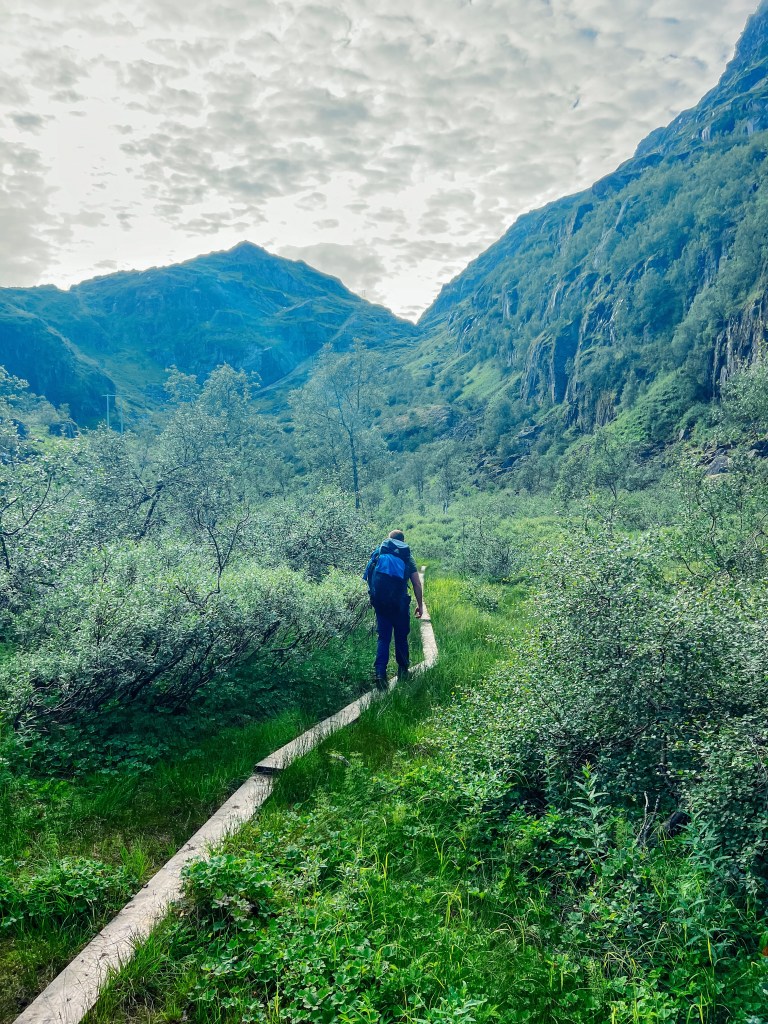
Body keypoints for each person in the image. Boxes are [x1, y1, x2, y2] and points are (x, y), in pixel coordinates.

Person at [363, 529, 424, 690]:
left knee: (383, 638)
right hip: (400, 604)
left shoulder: (379, 552)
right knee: (401, 637)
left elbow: (368, 575)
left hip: (381, 603)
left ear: (389, 539)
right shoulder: (407, 556)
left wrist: (375, 597)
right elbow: (417, 583)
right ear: (403, 541)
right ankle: (403, 672)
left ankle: (379, 674)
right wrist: (420, 605)